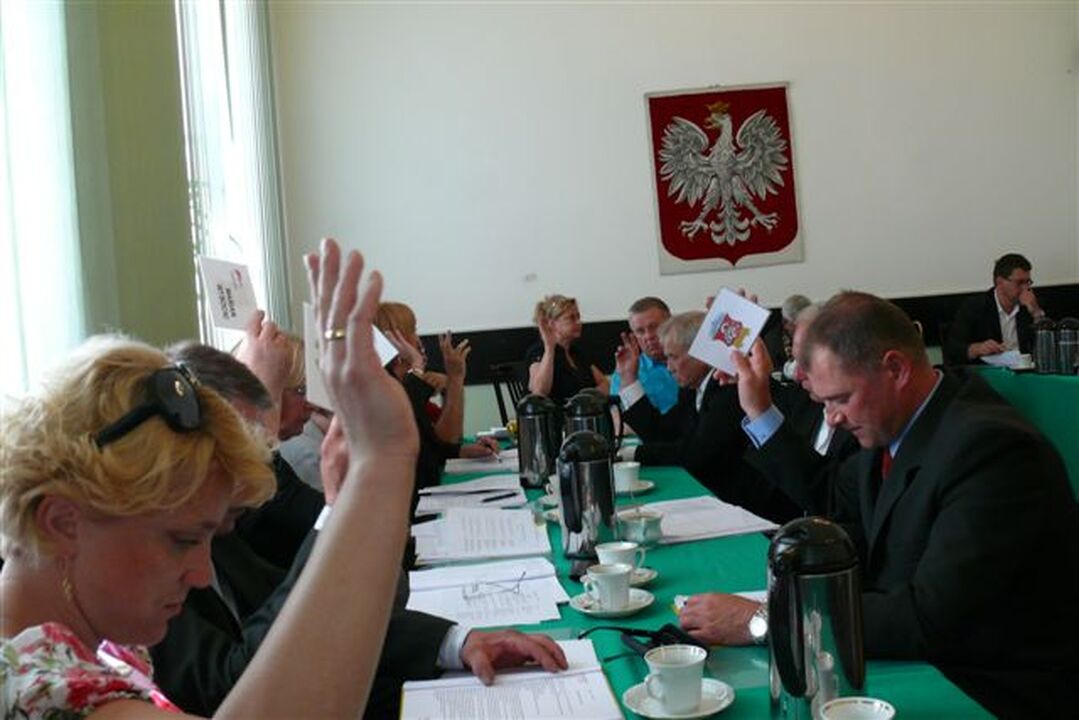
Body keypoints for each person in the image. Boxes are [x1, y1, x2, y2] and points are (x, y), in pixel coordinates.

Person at [0, 238, 423, 717]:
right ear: (62, 522)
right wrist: (381, 462)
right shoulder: (33, 688)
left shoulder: (99, 650)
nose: (201, 573)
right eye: (181, 540)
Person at [679, 291, 1079, 719]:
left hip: (990, 689)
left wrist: (764, 619)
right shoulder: (893, 423)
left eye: (840, 398)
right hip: (923, 659)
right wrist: (759, 407)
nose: (831, 418)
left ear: (896, 369)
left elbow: (929, 618)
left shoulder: (992, 450)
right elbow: (832, 502)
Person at [152, 342, 567, 718]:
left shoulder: (217, 537)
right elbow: (235, 681)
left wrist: (455, 643)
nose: (251, 469)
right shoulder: (155, 567)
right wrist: (340, 507)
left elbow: (317, 618)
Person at [374, 302, 500, 493]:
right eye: (413, 331)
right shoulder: (385, 388)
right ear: (396, 341)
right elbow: (405, 412)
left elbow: (430, 445)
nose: (419, 341)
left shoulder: (406, 386)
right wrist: (416, 366)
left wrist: (462, 451)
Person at [944, 252, 1046, 365]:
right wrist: (977, 348)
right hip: (990, 371)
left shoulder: (1032, 304)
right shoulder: (975, 307)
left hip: (1026, 369)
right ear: (999, 282)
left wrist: (1036, 313)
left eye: (1028, 282)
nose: (1026, 288)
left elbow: (1048, 347)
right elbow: (953, 350)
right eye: (1020, 282)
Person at [526, 294, 609, 402]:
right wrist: (549, 349)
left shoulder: (576, 352)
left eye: (578, 317)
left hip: (580, 411)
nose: (579, 322)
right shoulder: (539, 351)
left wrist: (586, 399)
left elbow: (605, 383)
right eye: (571, 318)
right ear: (552, 324)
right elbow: (539, 392)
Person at [609, 296, 679, 415]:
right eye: (640, 331)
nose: (648, 336)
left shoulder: (691, 360)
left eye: (654, 327)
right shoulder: (626, 374)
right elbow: (619, 419)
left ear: (671, 324)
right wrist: (630, 378)